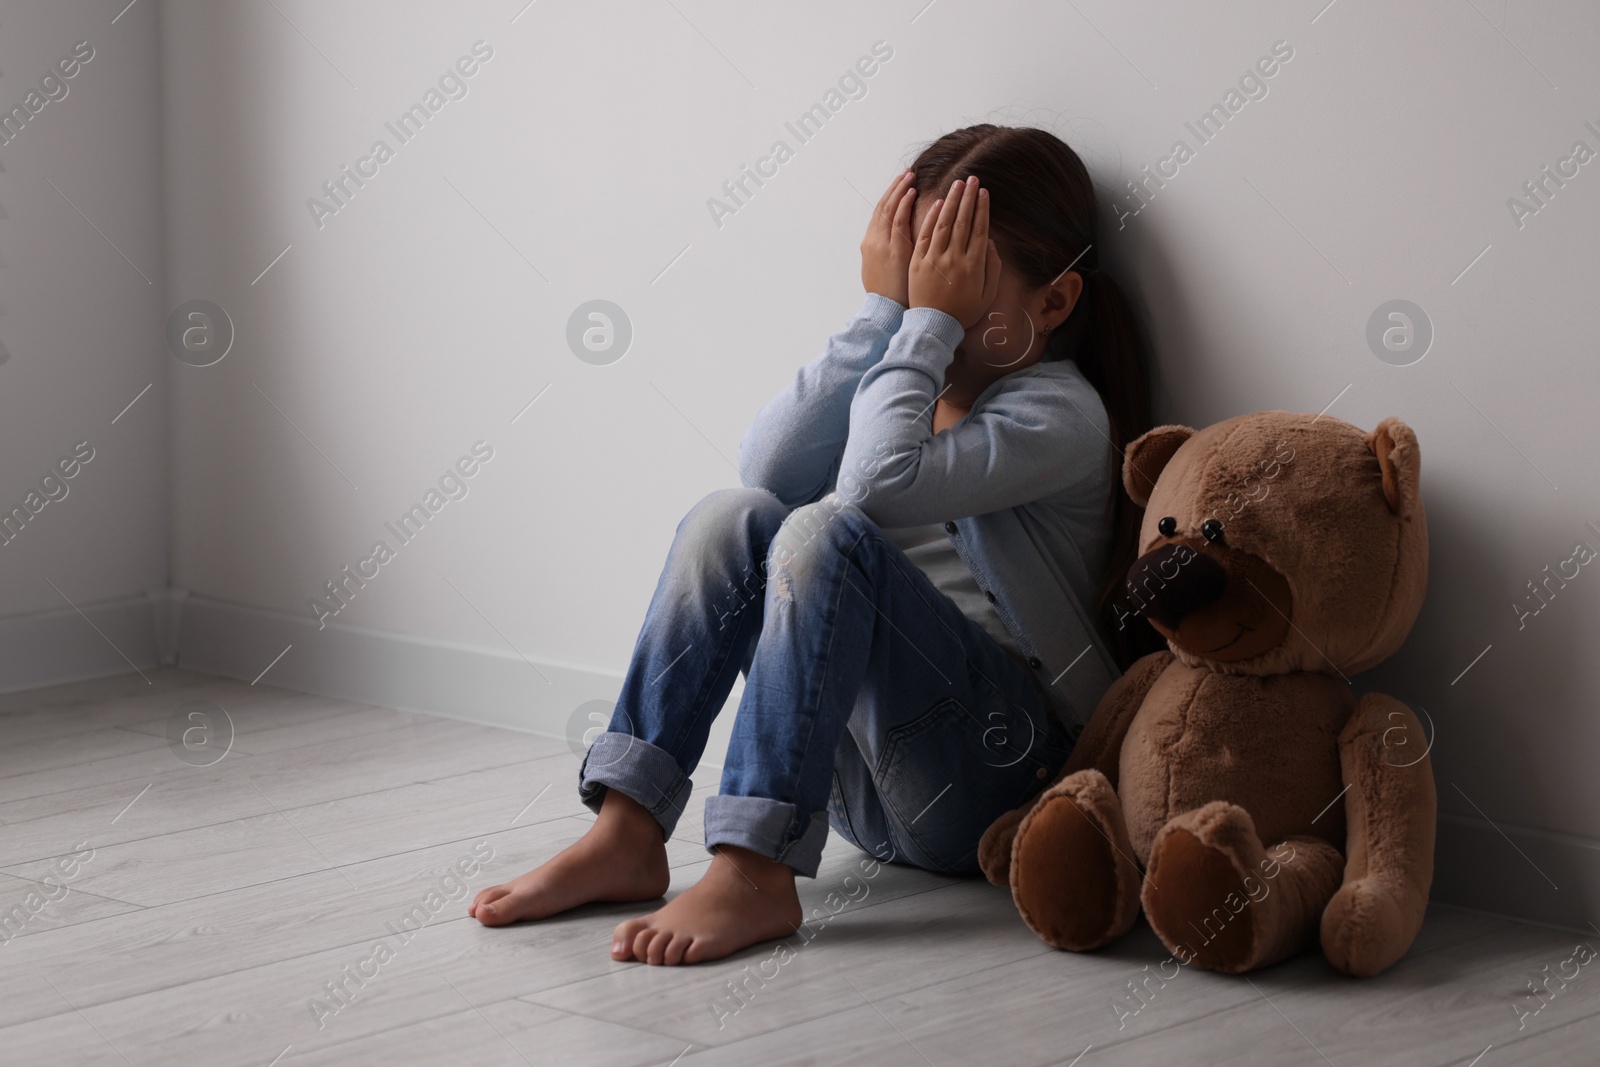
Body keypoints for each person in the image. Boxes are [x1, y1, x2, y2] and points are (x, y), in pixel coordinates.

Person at [470, 124, 1155, 966]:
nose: (925, 301)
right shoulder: (899, 386)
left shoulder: (1058, 415)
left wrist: (922, 326)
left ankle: (756, 871)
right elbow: (767, 465)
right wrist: (882, 317)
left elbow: (870, 488)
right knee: (733, 513)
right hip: (859, 790)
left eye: (957, 276)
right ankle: (628, 827)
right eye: (916, 270)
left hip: (995, 784)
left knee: (827, 529)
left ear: (1052, 304)